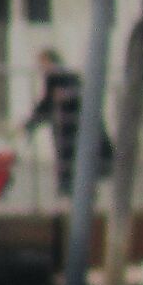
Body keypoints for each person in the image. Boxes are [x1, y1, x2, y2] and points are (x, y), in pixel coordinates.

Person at [22, 49, 92, 197]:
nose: (41, 67)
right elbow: (47, 102)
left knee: (68, 155)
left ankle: (70, 189)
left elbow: (74, 93)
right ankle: (69, 188)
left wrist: (31, 122)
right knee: (67, 156)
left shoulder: (60, 74)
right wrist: (30, 123)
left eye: (42, 63)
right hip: (64, 123)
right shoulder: (55, 76)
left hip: (70, 122)